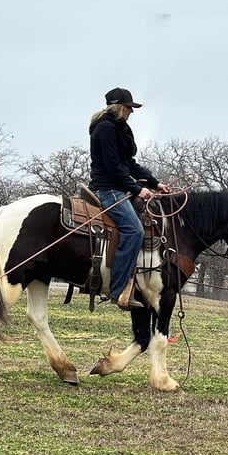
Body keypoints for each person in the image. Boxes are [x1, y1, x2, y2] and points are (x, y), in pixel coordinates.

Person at [88, 87, 170, 310]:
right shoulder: (105, 129)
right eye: (128, 108)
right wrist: (136, 189)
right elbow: (113, 167)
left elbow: (129, 164)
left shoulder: (121, 128)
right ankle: (118, 290)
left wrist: (154, 183)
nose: (131, 112)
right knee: (134, 231)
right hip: (107, 189)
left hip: (119, 187)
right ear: (117, 107)